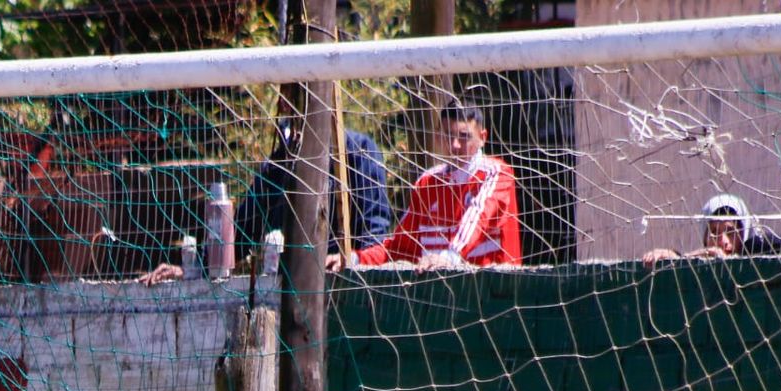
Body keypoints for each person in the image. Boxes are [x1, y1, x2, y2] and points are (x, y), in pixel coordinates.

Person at [137, 127, 392, 285]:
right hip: (289, 294)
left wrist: (350, 259)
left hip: (348, 287)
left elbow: (376, 235)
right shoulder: (280, 163)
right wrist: (193, 270)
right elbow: (242, 233)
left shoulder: (359, 152)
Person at [328, 102, 521, 274]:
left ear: (482, 137)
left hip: (493, 296)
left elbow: (478, 217)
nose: (454, 145)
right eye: (447, 135)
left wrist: (450, 257)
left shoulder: (497, 173)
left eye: (464, 136)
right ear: (437, 136)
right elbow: (398, 246)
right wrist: (355, 259)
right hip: (440, 299)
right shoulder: (428, 182)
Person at [642, 193, 781, 265]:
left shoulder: (756, 247)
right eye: (714, 232)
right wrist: (675, 257)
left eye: (730, 232)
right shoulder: (703, 263)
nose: (723, 241)